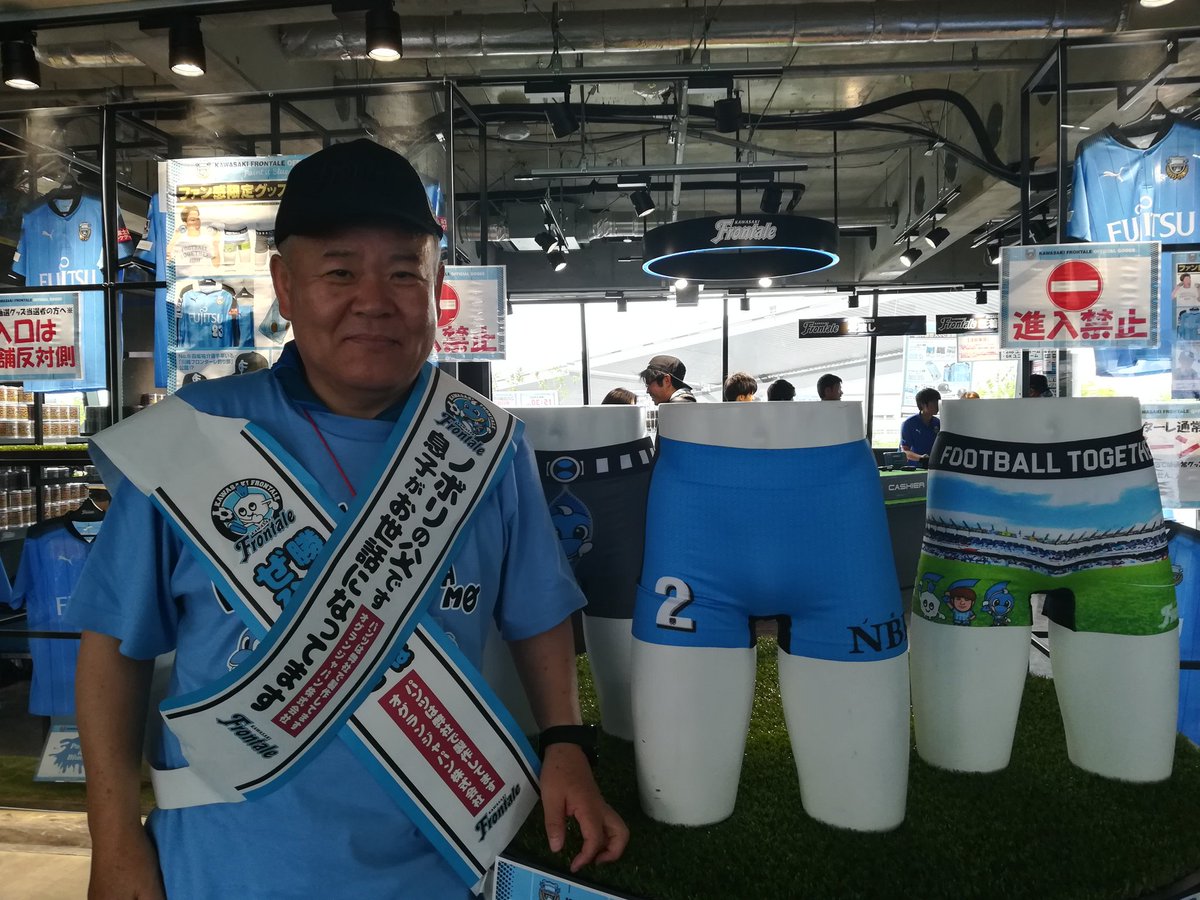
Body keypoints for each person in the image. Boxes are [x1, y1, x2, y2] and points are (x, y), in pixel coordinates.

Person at [70, 139, 627, 900]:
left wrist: (564, 741)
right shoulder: (191, 435)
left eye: (404, 273)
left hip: (442, 865)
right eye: (339, 272)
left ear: (437, 290)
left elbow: (537, 613)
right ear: (285, 286)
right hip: (225, 866)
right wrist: (111, 840)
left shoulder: (485, 445)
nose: (374, 300)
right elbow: (112, 647)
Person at [166, 204, 220, 272]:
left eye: (198, 219)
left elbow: (216, 265)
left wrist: (215, 244)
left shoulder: (208, 239)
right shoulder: (180, 240)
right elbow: (167, 259)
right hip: (184, 277)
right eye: (192, 220)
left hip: (204, 276)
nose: (196, 222)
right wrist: (175, 237)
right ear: (185, 223)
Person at [900, 387, 941, 463]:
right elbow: (905, 451)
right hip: (914, 466)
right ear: (923, 404)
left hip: (932, 465)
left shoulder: (938, 422)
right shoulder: (909, 423)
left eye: (939, 402)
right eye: (934, 402)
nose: (938, 405)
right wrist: (921, 458)